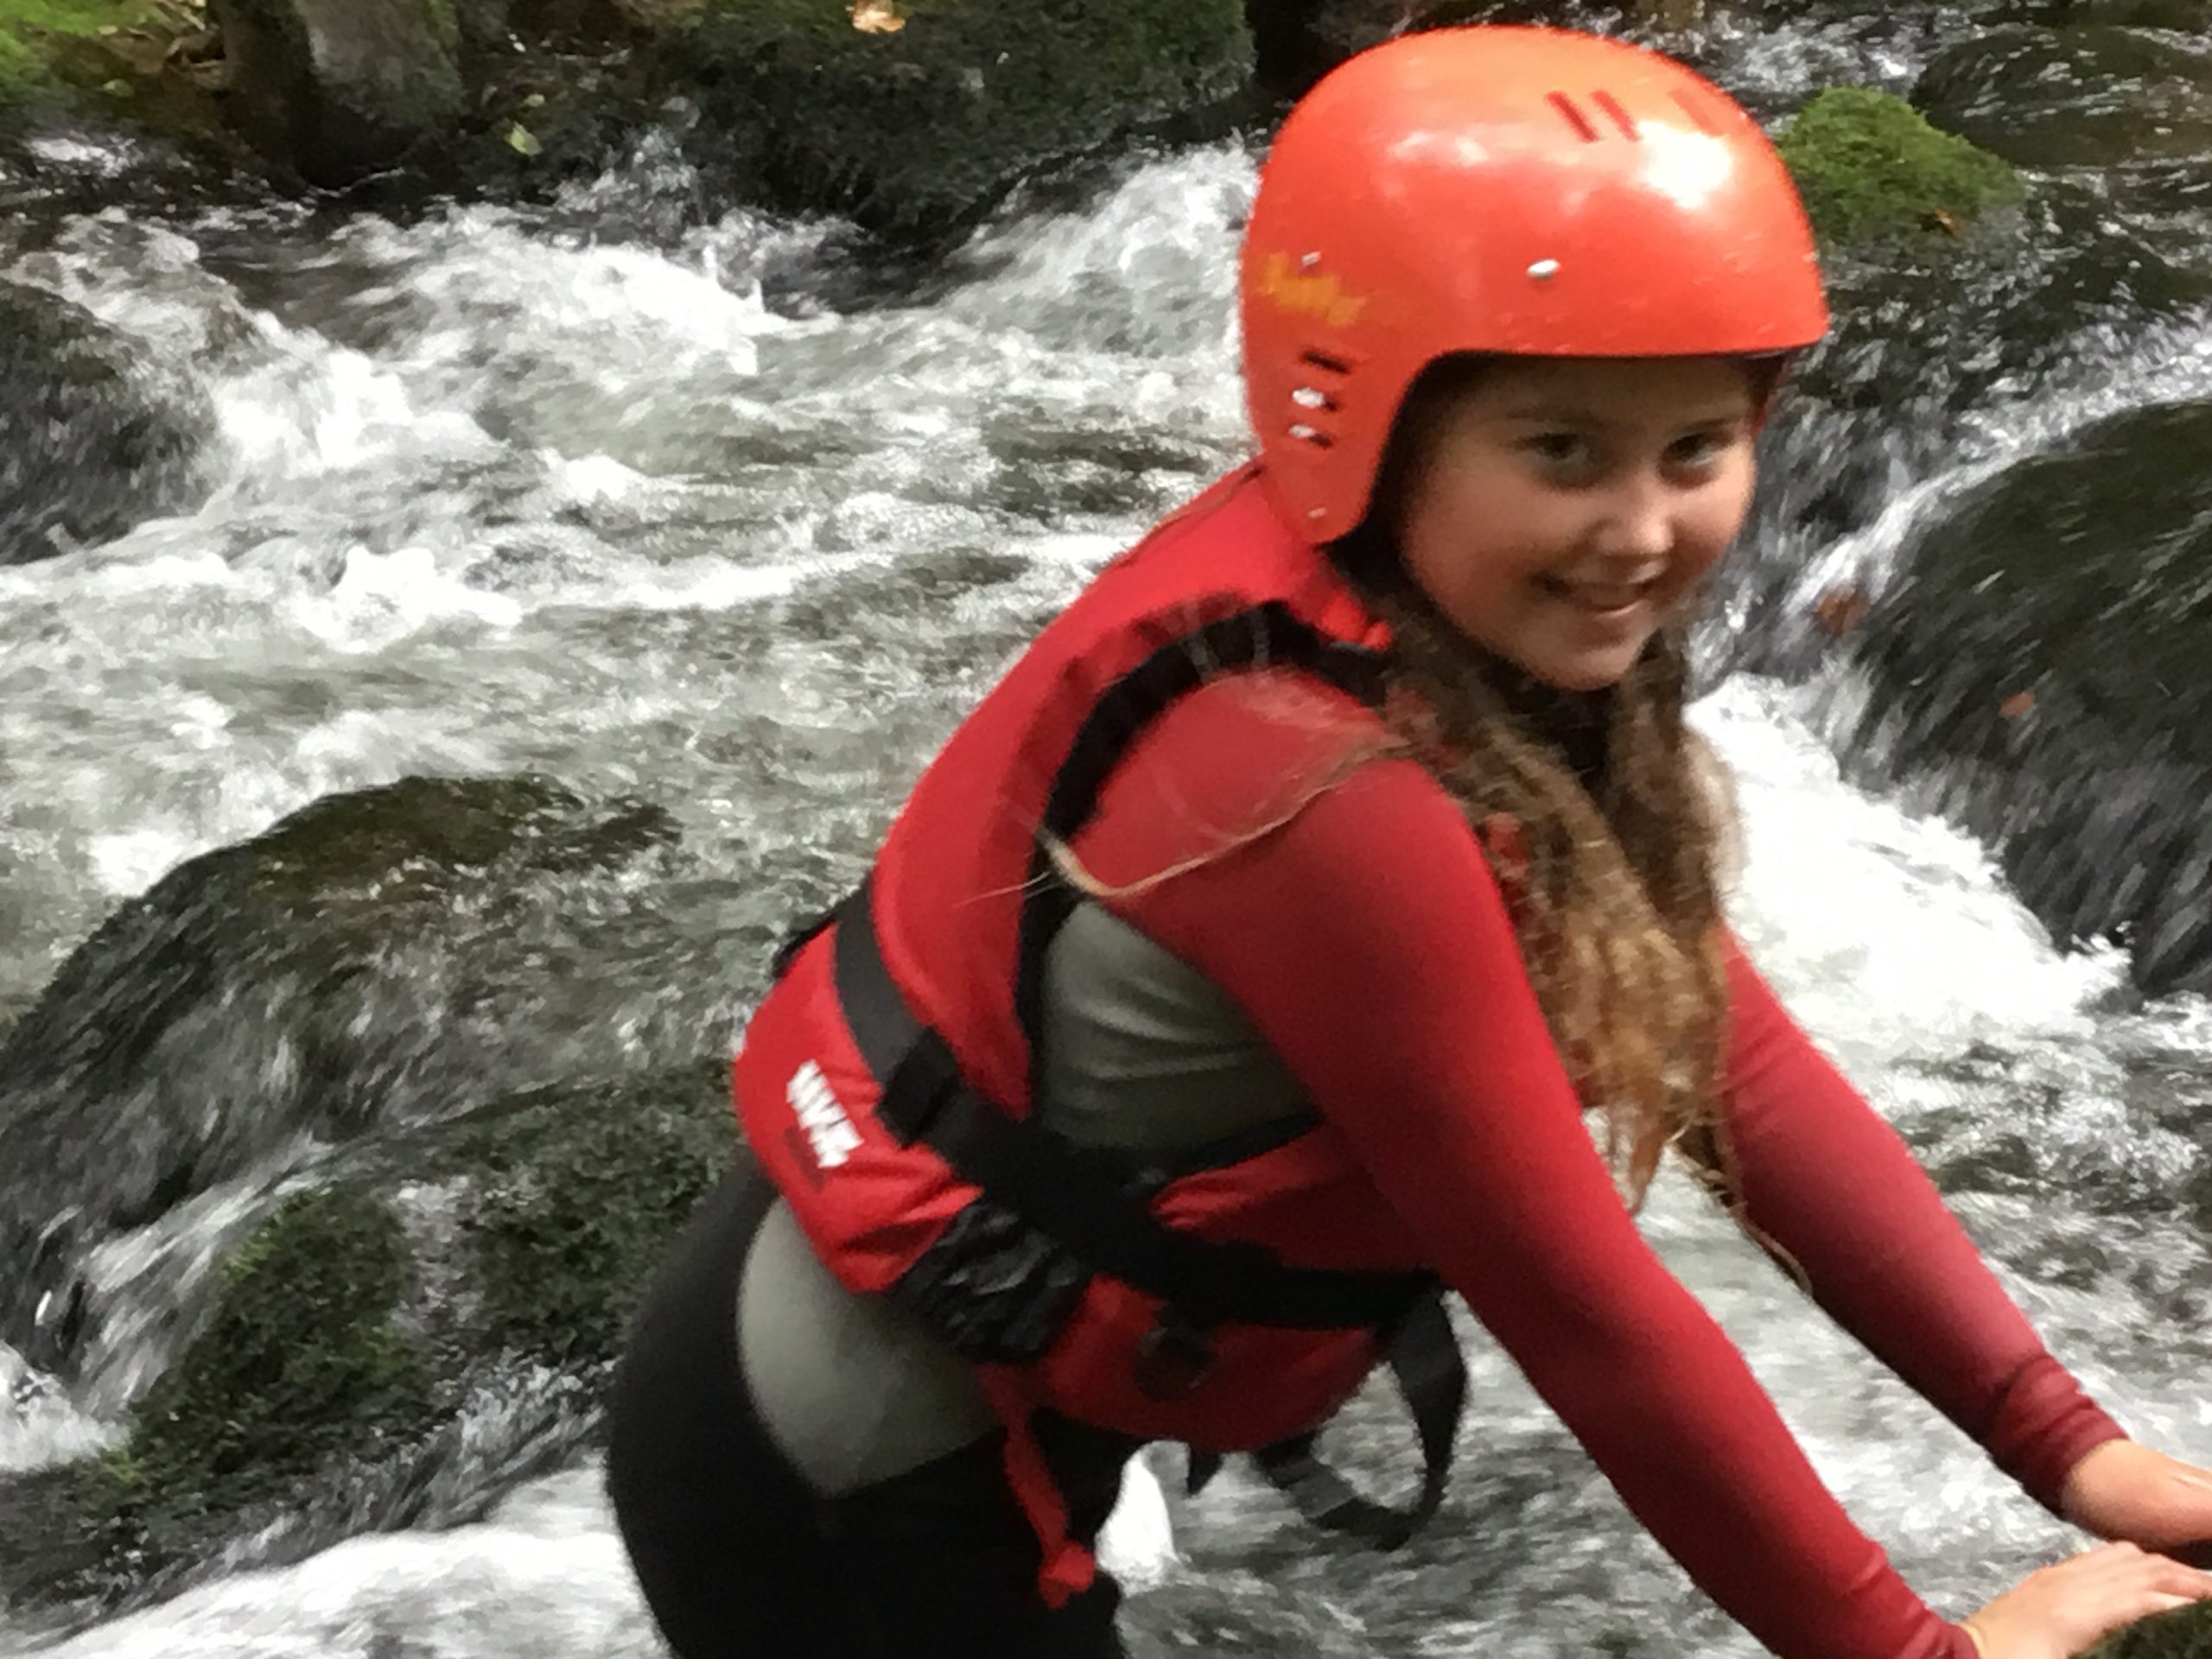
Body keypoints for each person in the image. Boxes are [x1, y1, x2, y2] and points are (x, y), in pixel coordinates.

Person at [604, 24, 2212, 1659]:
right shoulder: (1313, 784)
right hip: (846, 1490)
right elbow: (1587, 1319)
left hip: (956, 1395)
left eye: (1696, 450)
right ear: (1368, 432)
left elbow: (1725, 1057)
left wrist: (2069, 1447)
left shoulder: (1469, 631)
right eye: (1561, 451)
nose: (1642, 530)